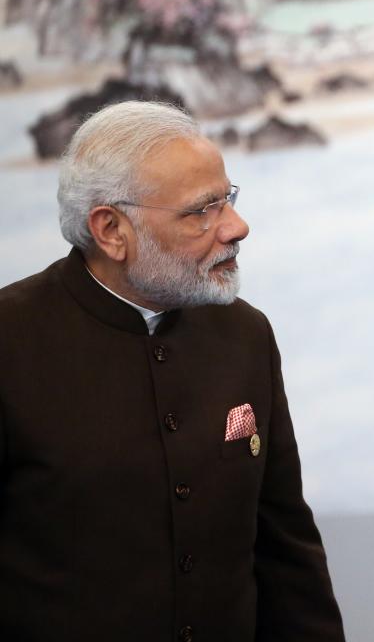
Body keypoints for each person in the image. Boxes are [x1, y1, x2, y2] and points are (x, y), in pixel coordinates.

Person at [0, 101, 345, 641]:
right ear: (112, 229)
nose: (237, 226)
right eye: (200, 211)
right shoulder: (10, 342)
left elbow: (285, 548)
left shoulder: (245, 335)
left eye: (227, 199)